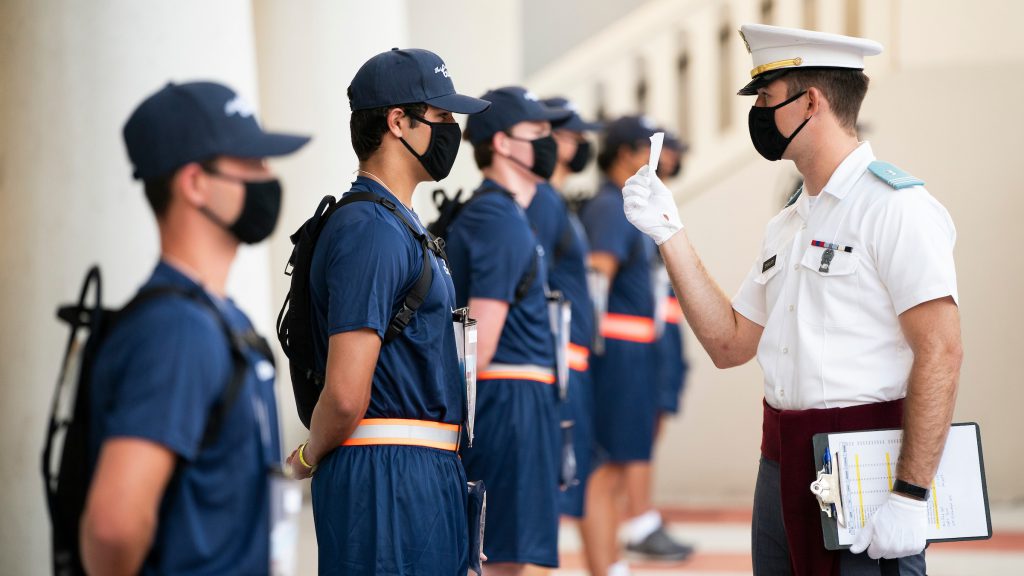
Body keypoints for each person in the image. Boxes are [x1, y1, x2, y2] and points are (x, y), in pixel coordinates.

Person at [621, 23, 962, 576]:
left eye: (766, 97)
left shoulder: (897, 209)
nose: (758, 111)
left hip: (864, 468)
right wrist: (669, 234)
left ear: (812, 100)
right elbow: (730, 343)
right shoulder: (789, 223)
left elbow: (942, 351)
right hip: (779, 462)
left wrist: (910, 494)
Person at [80, 81, 309, 575]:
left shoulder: (223, 321)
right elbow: (112, 526)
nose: (267, 177)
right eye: (250, 163)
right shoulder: (177, 331)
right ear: (194, 183)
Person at [282, 48, 489, 575]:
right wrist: (305, 458)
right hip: (387, 480)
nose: (451, 130)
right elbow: (347, 392)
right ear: (398, 122)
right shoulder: (370, 229)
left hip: (422, 473)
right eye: (441, 117)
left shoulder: (398, 223)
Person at [446, 86, 570, 575]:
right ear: (500, 143)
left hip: (520, 397)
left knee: (513, 556)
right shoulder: (498, 218)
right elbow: (482, 338)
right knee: (502, 560)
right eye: (536, 133)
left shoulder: (507, 214)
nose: (549, 143)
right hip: (507, 401)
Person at [579, 116, 693, 576]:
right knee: (607, 466)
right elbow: (596, 282)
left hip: (636, 352)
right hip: (618, 355)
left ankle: (613, 561)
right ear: (627, 153)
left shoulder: (627, 202)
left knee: (624, 458)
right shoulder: (609, 207)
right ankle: (606, 564)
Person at [526, 96, 601, 524]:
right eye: (573, 137)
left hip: (570, 361)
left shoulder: (554, 199)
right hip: (557, 364)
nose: (579, 146)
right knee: (547, 507)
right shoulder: (543, 201)